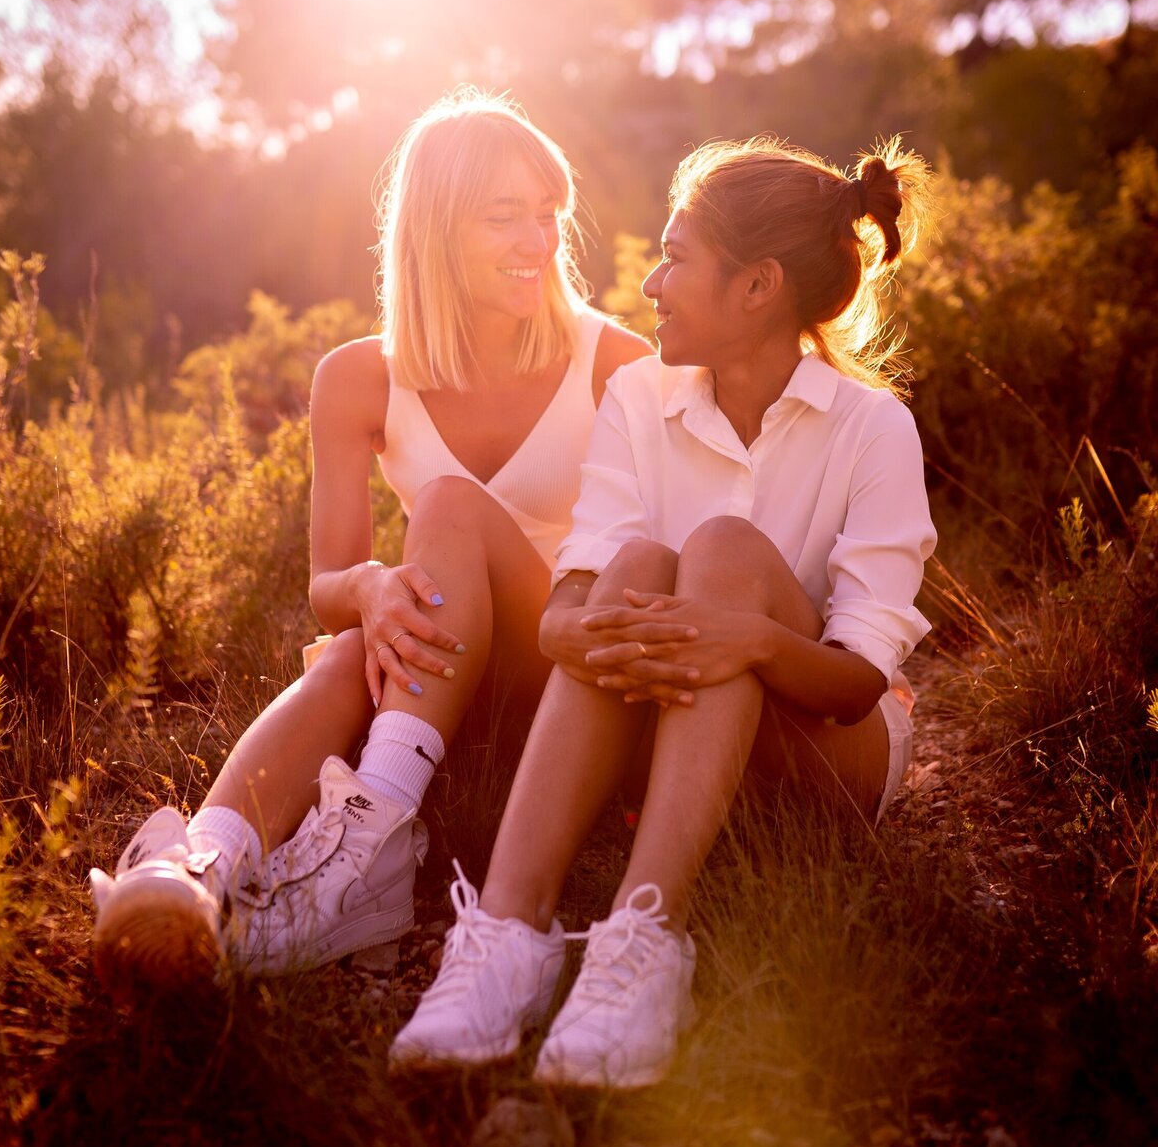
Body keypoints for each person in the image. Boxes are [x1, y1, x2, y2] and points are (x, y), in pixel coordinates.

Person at [390, 134, 938, 1087]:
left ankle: (643, 940)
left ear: (757, 286)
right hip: (668, 716)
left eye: (676, 259)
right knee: (644, 560)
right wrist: (579, 625)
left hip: (825, 753)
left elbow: (858, 683)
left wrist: (755, 639)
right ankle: (507, 934)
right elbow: (583, 583)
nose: (649, 283)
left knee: (720, 551)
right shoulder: (640, 396)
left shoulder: (873, 428)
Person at [90, 90, 649, 1000]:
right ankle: (199, 867)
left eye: (548, 216)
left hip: (567, 677)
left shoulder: (613, 361)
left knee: (449, 510)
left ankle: (362, 856)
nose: (537, 243)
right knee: (355, 642)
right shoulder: (358, 378)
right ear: (433, 229)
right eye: (503, 216)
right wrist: (375, 590)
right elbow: (326, 582)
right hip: (444, 673)